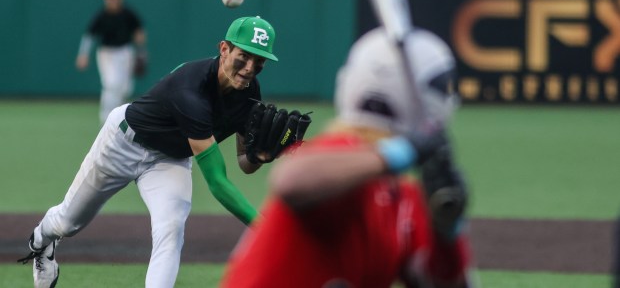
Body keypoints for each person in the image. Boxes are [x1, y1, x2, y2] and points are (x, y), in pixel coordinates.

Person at [19, 16, 301, 288]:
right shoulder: (192, 89)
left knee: (171, 229)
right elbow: (218, 182)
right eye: (244, 56)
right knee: (68, 223)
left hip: (170, 160)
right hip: (122, 144)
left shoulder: (250, 93)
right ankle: (41, 241)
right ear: (224, 49)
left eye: (259, 61)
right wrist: (265, 230)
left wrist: (259, 156)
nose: (250, 67)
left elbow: (244, 163)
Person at [222, 27, 475, 288]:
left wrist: (447, 232)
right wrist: (402, 151)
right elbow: (290, 180)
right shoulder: (339, 154)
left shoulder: (403, 198)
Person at [76, 0, 148, 124]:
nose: (113, 0)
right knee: (111, 84)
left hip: (125, 52)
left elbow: (139, 33)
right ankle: (107, 119)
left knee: (125, 88)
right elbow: (89, 36)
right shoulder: (101, 15)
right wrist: (83, 54)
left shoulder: (128, 13)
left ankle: (120, 117)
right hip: (106, 53)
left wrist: (141, 52)